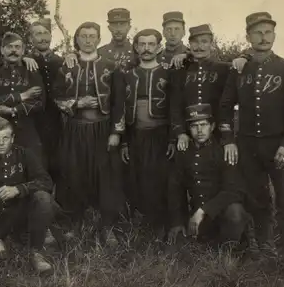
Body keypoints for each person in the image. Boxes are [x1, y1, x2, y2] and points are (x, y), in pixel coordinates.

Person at [219, 12, 284, 279]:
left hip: (283, 147)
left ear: (274, 35)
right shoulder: (239, 69)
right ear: (248, 36)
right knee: (257, 200)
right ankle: (264, 252)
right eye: (257, 33)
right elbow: (225, 107)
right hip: (249, 148)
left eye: (268, 32)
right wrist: (229, 140)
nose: (263, 37)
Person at [52, 21, 127, 247]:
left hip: (102, 128)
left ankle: (107, 227)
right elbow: (56, 96)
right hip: (75, 129)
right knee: (74, 174)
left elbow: (119, 103)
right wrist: (76, 102)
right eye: (83, 36)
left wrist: (116, 132)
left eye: (92, 36)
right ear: (77, 39)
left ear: (98, 38)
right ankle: (74, 224)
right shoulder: (67, 66)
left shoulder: (111, 65)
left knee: (106, 177)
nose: (87, 40)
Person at [0, 114, 57, 273]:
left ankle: (36, 250)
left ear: (13, 138)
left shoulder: (25, 154)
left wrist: (18, 189)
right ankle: (8, 238)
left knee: (43, 198)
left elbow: (46, 181)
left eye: (6, 138)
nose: (1, 143)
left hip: (24, 210)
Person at [168, 104, 256, 254]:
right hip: (199, 215)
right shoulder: (184, 152)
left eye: (203, 125)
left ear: (212, 126)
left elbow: (233, 191)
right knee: (178, 248)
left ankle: (230, 250)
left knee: (235, 213)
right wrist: (177, 221)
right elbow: (175, 188)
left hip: (220, 212)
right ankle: (209, 247)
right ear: (189, 129)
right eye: (194, 126)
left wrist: (203, 211)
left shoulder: (224, 150)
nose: (200, 130)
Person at [119, 28, 175, 242]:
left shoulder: (168, 73)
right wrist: (124, 141)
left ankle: (161, 225)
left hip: (160, 136)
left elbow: (174, 108)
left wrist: (171, 138)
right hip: (135, 135)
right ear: (135, 47)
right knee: (136, 178)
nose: (146, 49)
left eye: (151, 44)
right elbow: (121, 110)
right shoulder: (127, 75)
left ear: (159, 47)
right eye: (142, 44)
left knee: (159, 179)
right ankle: (139, 225)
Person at [0, 32, 46, 164]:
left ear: (23, 50)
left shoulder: (31, 71)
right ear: (2, 50)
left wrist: (13, 110)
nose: (14, 50)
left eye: (18, 47)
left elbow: (39, 102)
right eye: (9, 47)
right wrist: (22, 96)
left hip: (27, 130)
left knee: (32, 166)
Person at [169, 24, 232, 151]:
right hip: (188, 136)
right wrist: (180, 133)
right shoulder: (180, 71)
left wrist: (227, 138)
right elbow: (175, 106)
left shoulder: (224, 69)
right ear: (189, 45)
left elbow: (227, 105)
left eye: (204, 42)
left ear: (211, 44)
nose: (199, 47)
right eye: (195, 42)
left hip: (217, 136)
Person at [27, 18, 64, 182]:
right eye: (37, 34)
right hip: (33, 118)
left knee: (58, 157)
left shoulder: (60, 61)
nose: (42, 38)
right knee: (36, 159)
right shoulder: (25, 61)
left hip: (58, 118)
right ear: (31, 39)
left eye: (45, 33)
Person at [64, 8, 134, 71]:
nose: (118, 29)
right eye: (114, 25)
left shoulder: (137, 54)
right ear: (109, 28)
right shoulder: (99, 53)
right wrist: (74, 55)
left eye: (122, 24)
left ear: (129, 27)